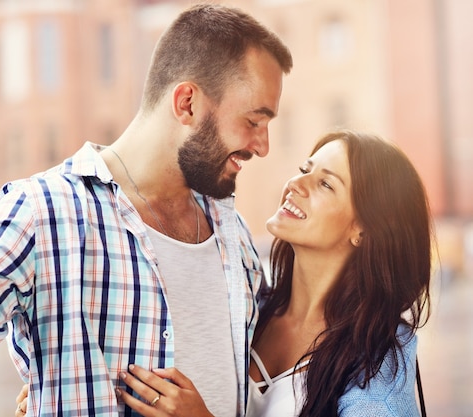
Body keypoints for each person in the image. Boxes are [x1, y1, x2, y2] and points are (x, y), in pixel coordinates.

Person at [0, 3, 293, 417]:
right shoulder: (42, 212)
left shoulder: (231, 232)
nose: (263, 145)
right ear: (187, 103)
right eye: (254, 121)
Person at [113, 130, 433, 416]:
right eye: (304, 170)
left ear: (363, 230)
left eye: (325, 183)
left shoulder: (381, 358)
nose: (296, 184)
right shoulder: (250, 305)